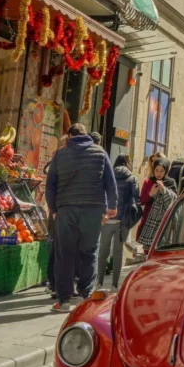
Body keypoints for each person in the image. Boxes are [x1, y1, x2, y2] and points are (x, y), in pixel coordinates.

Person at [45, 123, 117, 312]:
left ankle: (64, 299)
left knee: (64, 254)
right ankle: (84, 295)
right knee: (89, 251)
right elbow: (110, 182)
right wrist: (112, 206)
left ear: (70, 136)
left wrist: (53, 209)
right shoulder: (100, 153)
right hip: (93, 210)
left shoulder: (60, 154)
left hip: (66, 209)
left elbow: (50, 185)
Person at [96, 154, 140, 290]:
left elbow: (101, 193)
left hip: (108, 217)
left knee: (103, 251)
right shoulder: (132, 178)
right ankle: (115, 285)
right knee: (118, 252)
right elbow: (136, 199)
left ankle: (99, 282)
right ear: (128, 163)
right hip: (123, 220)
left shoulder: (108, 175)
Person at [138, 157, 176, 253]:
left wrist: (164, 189)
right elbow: (142, 200)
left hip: (165, 221)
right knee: (148, 252)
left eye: (162, 171)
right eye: (156, 170)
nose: (159, 173)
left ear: (166, 170)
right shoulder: (148, 182)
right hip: (149, 221)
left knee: (162, 250)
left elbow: (174, 200)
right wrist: (151, 193)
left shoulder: (171, 182)